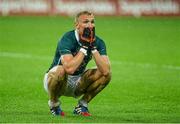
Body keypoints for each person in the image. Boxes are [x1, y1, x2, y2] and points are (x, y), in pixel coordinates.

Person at [43, 11, 111, 117]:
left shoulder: (98, 42)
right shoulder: (67, 38)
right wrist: (84, 47)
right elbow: (69, 69)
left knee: (105, 75)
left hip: (79, 81)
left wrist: (93, 47)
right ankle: (54, 103)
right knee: (60, 70)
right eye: (86, 22)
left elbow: (106, 71)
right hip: (57, 80)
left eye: (92, 22)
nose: (90, 25)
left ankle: (82, 105)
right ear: (77, 25)